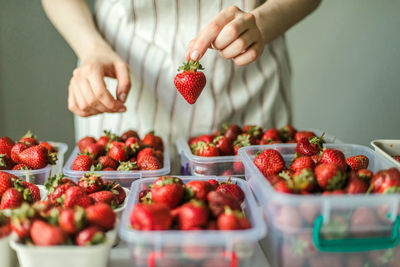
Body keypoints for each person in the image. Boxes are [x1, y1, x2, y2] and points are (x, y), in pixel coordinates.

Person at [42, 0, 321, 171]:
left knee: (251, 220)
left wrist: (262, 22)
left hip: (248, 67)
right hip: (122, 69)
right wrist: (90, 47)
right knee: (119, 206)